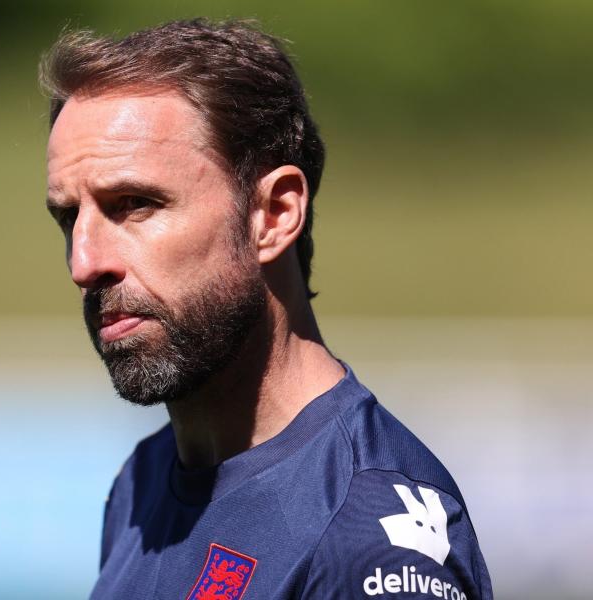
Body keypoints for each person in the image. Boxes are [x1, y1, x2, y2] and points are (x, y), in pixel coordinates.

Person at [41, 19, 492, 600]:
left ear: (274, 215)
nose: (84, 263)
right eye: (68, 218)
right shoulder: (145, 482)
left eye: (133, 204)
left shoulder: (368, 537)